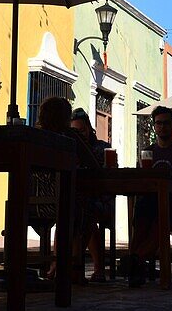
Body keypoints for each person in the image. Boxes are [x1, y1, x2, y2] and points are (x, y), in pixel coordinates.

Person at [127, 105, 172, 287]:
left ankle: (135, 261)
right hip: (150, 199)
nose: (161, 126)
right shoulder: (148, 150)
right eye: (158, 123)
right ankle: (137, 263)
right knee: (140, 218)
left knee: (160, 220)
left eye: (165, 123)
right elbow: (142, 177)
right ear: (154, 126)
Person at [71, 107, 112, 281]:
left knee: (86, 213)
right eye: (75, 132)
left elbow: (104, 173)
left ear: (89, 128)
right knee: (71, 212)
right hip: (75, 196)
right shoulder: (68, 148)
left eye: (82, 130)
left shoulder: (101, 148)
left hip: (98, 196)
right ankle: (62, 265)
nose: (80, 135)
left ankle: (93, 267)